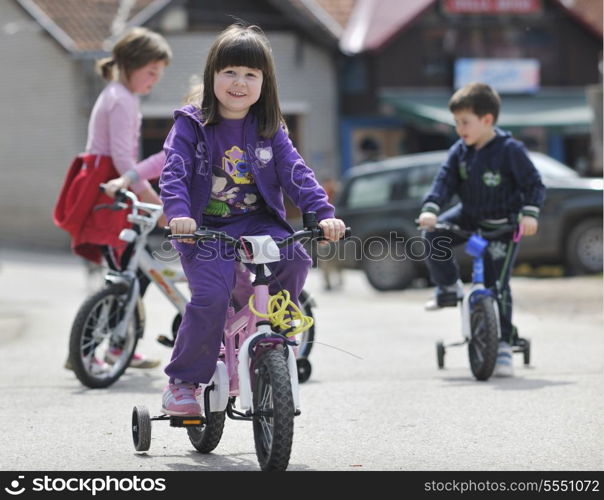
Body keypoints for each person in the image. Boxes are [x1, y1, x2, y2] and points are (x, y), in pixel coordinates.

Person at [159, 23, 346, 416]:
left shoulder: (269, 127)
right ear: (212, 76)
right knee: (210, 298)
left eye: (250, 74)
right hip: (204, 228)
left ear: (265, 82)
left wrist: (324, 214)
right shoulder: (191, 125)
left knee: (295, 257)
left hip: (258, 222)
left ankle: (276, 328)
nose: (239, 82)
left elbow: (296, 172)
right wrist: (178, 215)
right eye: (229, 72)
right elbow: (173, 172)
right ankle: (183, 382)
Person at [55, 27, 172, 370]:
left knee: (126, 272)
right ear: (130, 65)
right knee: (125, 274)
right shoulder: (121, 99)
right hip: (111, 189)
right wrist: (154, 201)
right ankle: (98, 351)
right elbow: (123, 161)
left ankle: (112, 346)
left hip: (105, 186)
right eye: (151, 72)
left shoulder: (117, 94)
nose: (154, 81)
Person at [417, 82, 545, 377]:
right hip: (470, 215)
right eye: (456, 123)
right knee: (432, 236)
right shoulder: (460, 151)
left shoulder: (510, 150)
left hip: (504, 226)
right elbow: (444, 182)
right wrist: (431, 208)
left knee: (496, 285)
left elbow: (534, 184)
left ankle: (502, 344)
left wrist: (530, 213)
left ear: (487, 120)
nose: (459, 129)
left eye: (465, 122)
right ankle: (448, 287)